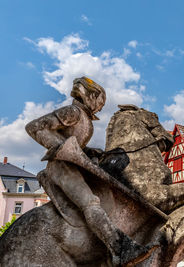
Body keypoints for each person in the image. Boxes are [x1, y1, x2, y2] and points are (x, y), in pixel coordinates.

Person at [26, 77, 156, 266]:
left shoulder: (85, 119)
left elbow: (74, 143)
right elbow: (34, 127)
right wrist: (65, 149)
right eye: (100, 102)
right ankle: (119, 249)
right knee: (90, 203)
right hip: (62, 167)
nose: (100, 108)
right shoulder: (73, 112)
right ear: (90, 96)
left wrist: (87, 151)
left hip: (73, 165)